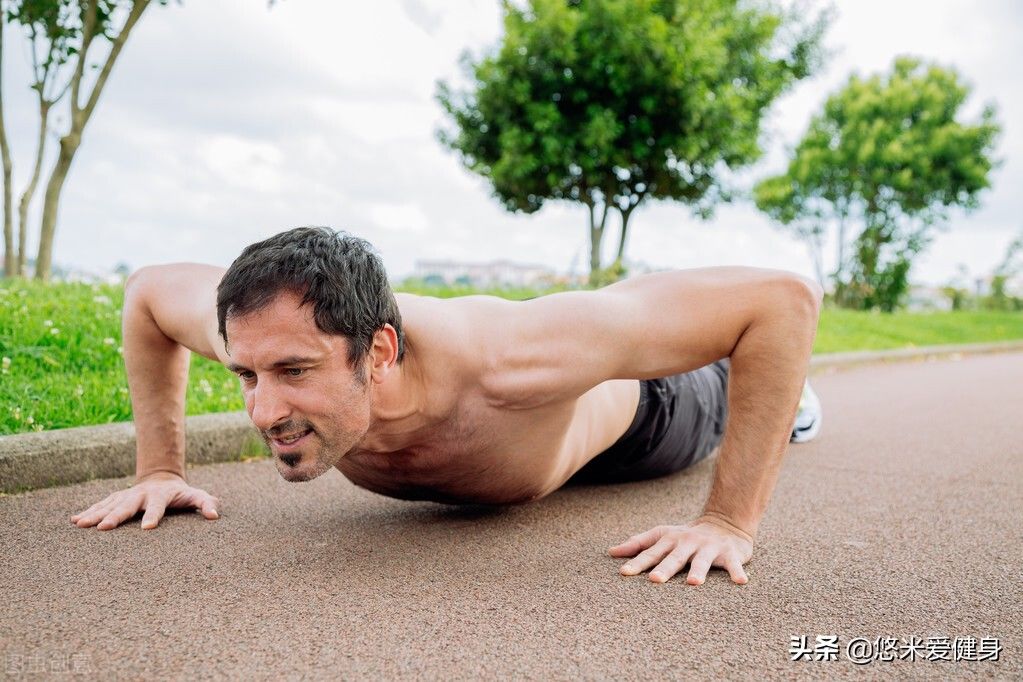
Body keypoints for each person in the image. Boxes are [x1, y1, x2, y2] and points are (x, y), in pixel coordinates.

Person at [70, 226, 824, 586]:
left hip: (653, 419)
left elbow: (781, 301)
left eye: (295, 372)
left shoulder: (513, 358)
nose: (265, 411)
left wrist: (726, 521)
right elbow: (147, 292)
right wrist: (158, 468)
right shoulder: (264, 325)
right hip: (536, 443)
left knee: (734, 377)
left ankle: (792, 401)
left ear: (381, 352)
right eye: (246, 375)